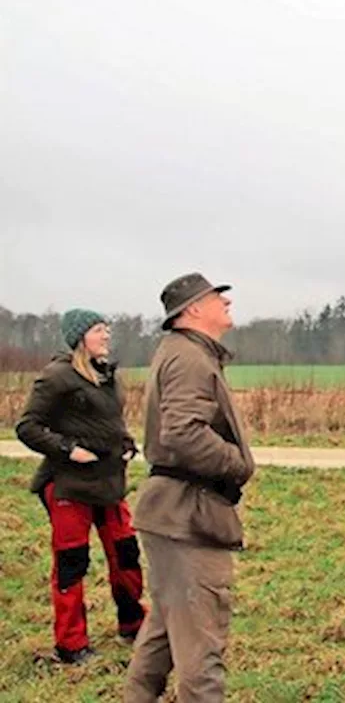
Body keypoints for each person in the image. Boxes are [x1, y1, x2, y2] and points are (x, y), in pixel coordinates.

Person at [124, 273, 255, 703]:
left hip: (175, 515)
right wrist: (238, 465)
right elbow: (184, 433)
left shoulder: (186, 353)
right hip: (187, 518)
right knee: (201, 652)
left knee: (163, 634)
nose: (227, 302)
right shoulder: (190, 358)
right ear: (193, 310)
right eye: (218, 297)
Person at [15, 309, 145, 665]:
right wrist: (68, 449)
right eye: (99, 330)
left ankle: (133, 624)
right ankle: (71, 646)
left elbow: (107, 421)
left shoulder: (108, 376)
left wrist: (125, 441)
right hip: (69, 487)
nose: (106, 336)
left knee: (127, 554)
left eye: (107, 329)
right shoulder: (57, 376)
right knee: (72, 564)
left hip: (109, 484)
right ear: (80, 337)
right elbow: (27, 426)